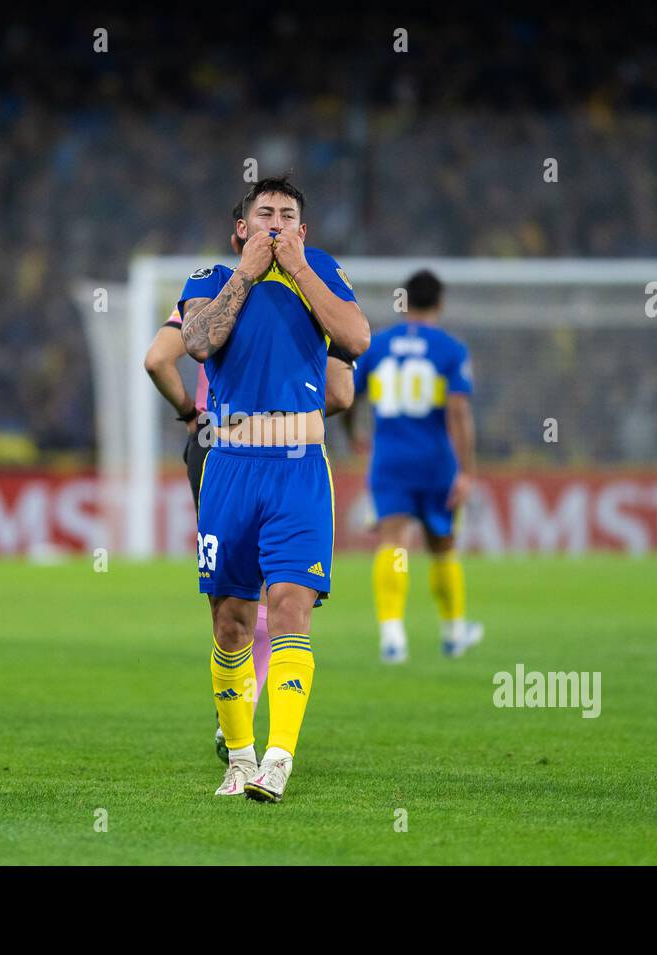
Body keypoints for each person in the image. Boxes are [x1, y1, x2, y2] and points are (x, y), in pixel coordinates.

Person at [178, 176, 369, 801]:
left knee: (291, 605)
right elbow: (198, 343)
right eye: (265, 214)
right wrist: (250, 273)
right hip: (229, 465)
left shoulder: (322, 273)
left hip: (298, 466)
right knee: (230, 620)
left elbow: (357, 339)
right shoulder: (210, 280)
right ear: (243, 226)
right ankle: (239, 758)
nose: (277, 223)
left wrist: (298, 270)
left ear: (304, 230)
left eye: (288, 216)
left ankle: (278, 760)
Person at [345, 269, 483, 662]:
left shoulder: (378, 345)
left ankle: (392, 636)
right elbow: (458, 411)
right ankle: (454, 632)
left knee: (393, 543)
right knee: (443, 544)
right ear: (439, 303)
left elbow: (347, 395)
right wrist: (467, 470)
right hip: (435, 460)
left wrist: (354, 434)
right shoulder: (450, 349)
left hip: (389, 458)